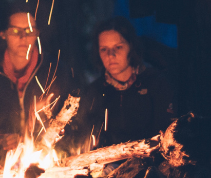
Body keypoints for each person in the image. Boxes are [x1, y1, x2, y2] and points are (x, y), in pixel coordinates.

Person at [0, 4, 67, 175]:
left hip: (45, 157)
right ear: (3, 34)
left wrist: (37, 139)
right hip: (1, 162)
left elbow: (68, 118)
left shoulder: (52, 71)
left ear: (37, 34)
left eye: (29, 31)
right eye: (16, 31)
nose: (23, 37)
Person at [64, 17, 176, 152]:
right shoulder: (94, 93)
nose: (111, 55)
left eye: (118, 47)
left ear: (131, 46)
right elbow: (80, 137)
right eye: (104, 49)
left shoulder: (156, 84)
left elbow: (168, 135)